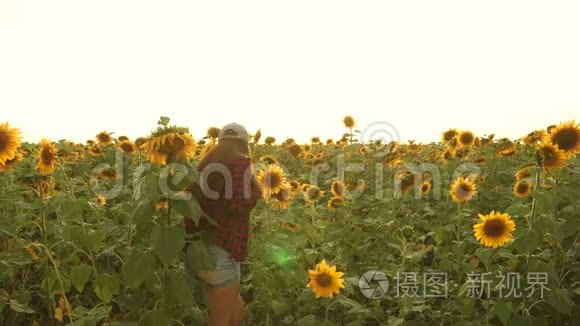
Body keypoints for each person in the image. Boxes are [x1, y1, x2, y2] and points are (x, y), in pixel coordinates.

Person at [185, 122, 262, 326]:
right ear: (245, 144)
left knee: (237, 316)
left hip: (199, 251)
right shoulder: (240, 165)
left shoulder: (204, 167)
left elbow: (189, 209)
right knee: (220, 321)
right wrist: (256, 187)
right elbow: (240, 204)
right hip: (221, 251)